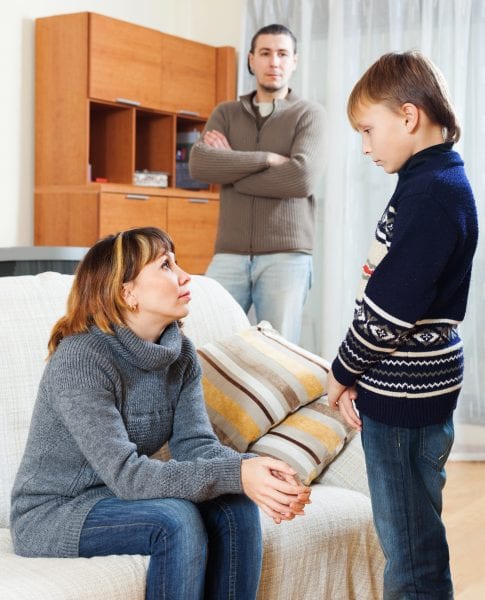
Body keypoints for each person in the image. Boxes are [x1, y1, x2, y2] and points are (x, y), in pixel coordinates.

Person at [10, 227, 312, 600]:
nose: (186, 276)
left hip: (117, 496)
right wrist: (237, 472)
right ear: (127, 292)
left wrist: (260, 472)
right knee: (175, 520)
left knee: (236, 505)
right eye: (166, 265)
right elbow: (129, 478)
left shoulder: (179, 354)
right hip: (55, 512)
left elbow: (197, 445)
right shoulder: (82, 359)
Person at [327, 51, 478, 599]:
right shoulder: (430, 181)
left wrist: (342, 371)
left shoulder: (433, 193)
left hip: (407, 392)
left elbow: (390, 309)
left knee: (411, 554)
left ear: (409, 117)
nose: (364, 146)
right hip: (405, 384)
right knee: (414, 537)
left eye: (368, 129)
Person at [189, 24, 326, 344]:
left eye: (282, 54)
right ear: (251, 60)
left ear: (294, 61)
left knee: (279, 350)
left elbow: (300, 179)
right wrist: (265, 159)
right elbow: (200, 165)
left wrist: (233, 170)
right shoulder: (225, 113)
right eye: (265, 53)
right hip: (229, 253)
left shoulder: (309, 114)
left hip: (286, 255)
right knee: (206, 339)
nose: (273, 62)